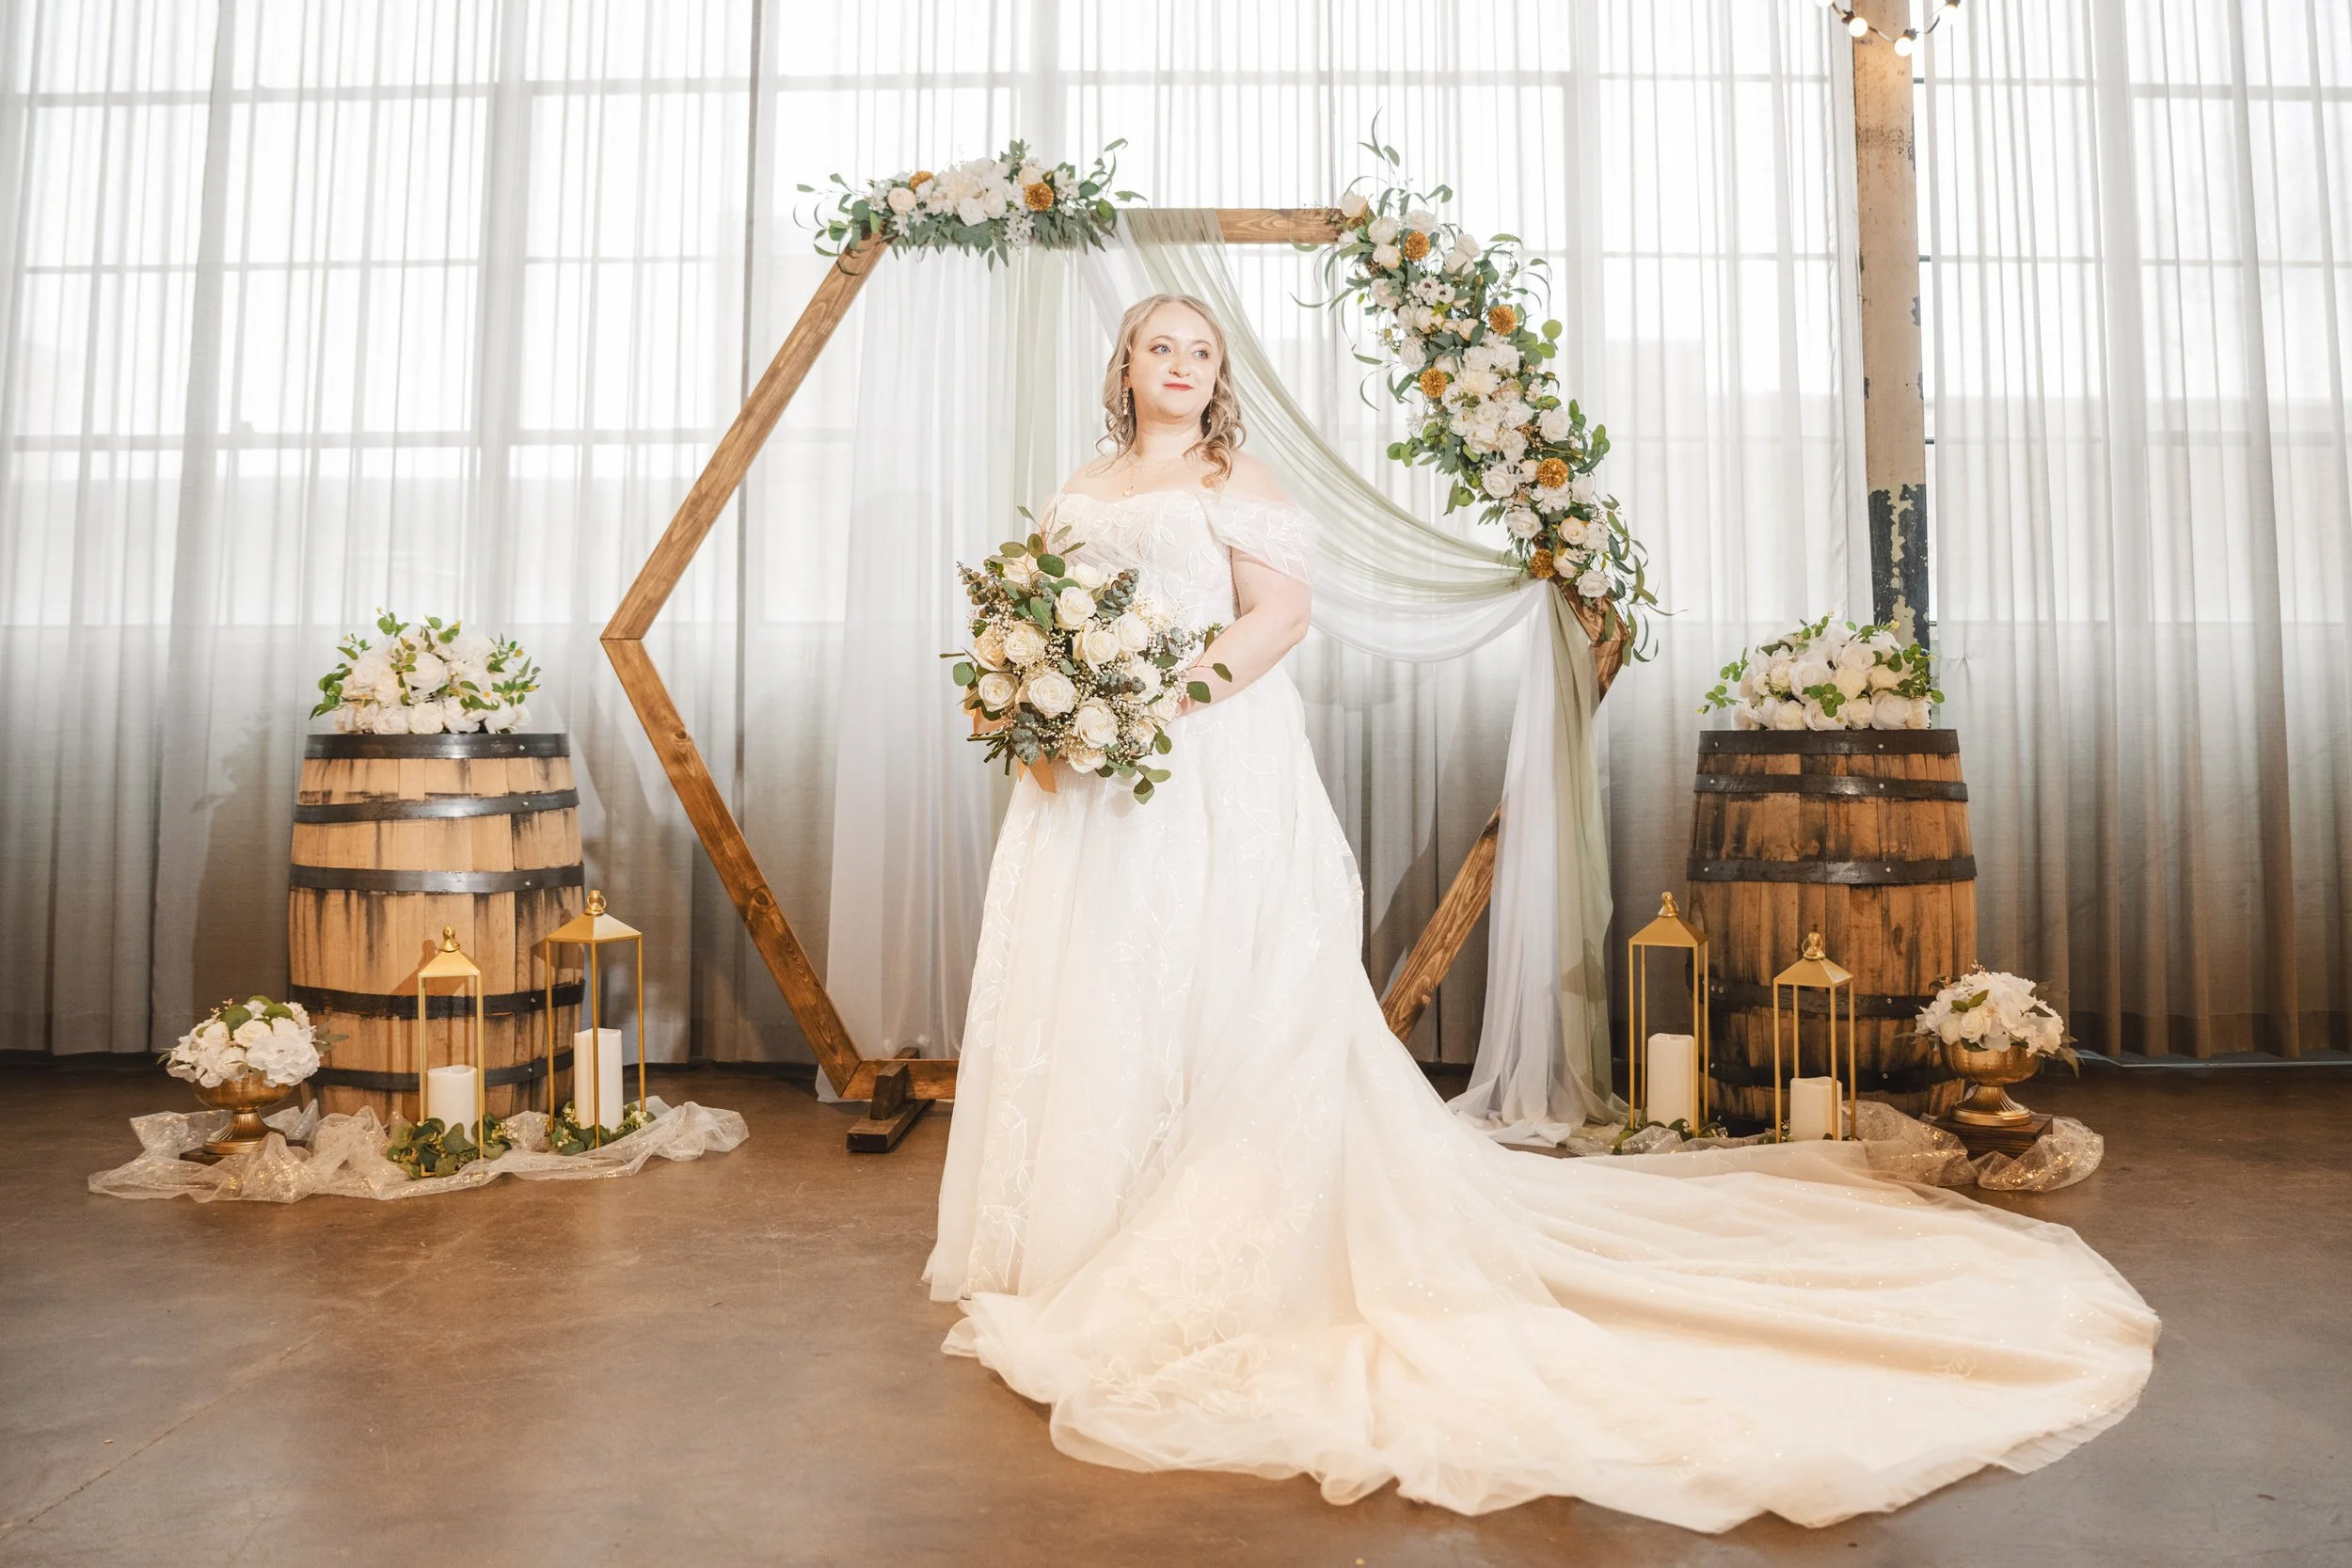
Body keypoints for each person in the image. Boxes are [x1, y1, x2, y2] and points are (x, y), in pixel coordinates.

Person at [921, 292, 2157, 1528]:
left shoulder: (1239, 479)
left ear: (1217, 375)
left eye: (1201, 351)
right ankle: (1087, 1227)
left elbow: (1279, 617)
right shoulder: (1080, 483)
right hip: (1089, 779)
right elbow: (1035, 619)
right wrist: (1039, 701)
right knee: (1099, 989)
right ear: (1124, 366)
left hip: (1201, 759)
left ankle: (1205, 1229)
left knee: (1212, 990)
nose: (1181, 366)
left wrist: (1153, 700)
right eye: (1160, 348)